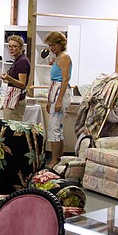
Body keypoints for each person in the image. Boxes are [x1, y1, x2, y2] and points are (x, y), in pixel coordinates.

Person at [44, 31, 72, 167]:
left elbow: (65, 79)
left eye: (53, 45)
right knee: (56, 128)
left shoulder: (64, 57)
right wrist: (49, 101)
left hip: (61, 92)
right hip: (54, 91)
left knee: (54, 128)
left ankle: (54, 160)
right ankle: (58, 159)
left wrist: (59, 100)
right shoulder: (57, 57)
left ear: (60, 44)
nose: (51, 48)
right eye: (49, 45)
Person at [0, 35, 30, 120]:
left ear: (21, 48)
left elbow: (22, 84)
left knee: (12, 128)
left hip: (16, 99)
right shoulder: (18, 60)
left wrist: (9, 78)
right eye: (9, 46)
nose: (11, 49)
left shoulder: (22, 61)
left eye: (14, 46)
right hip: (13, 97)